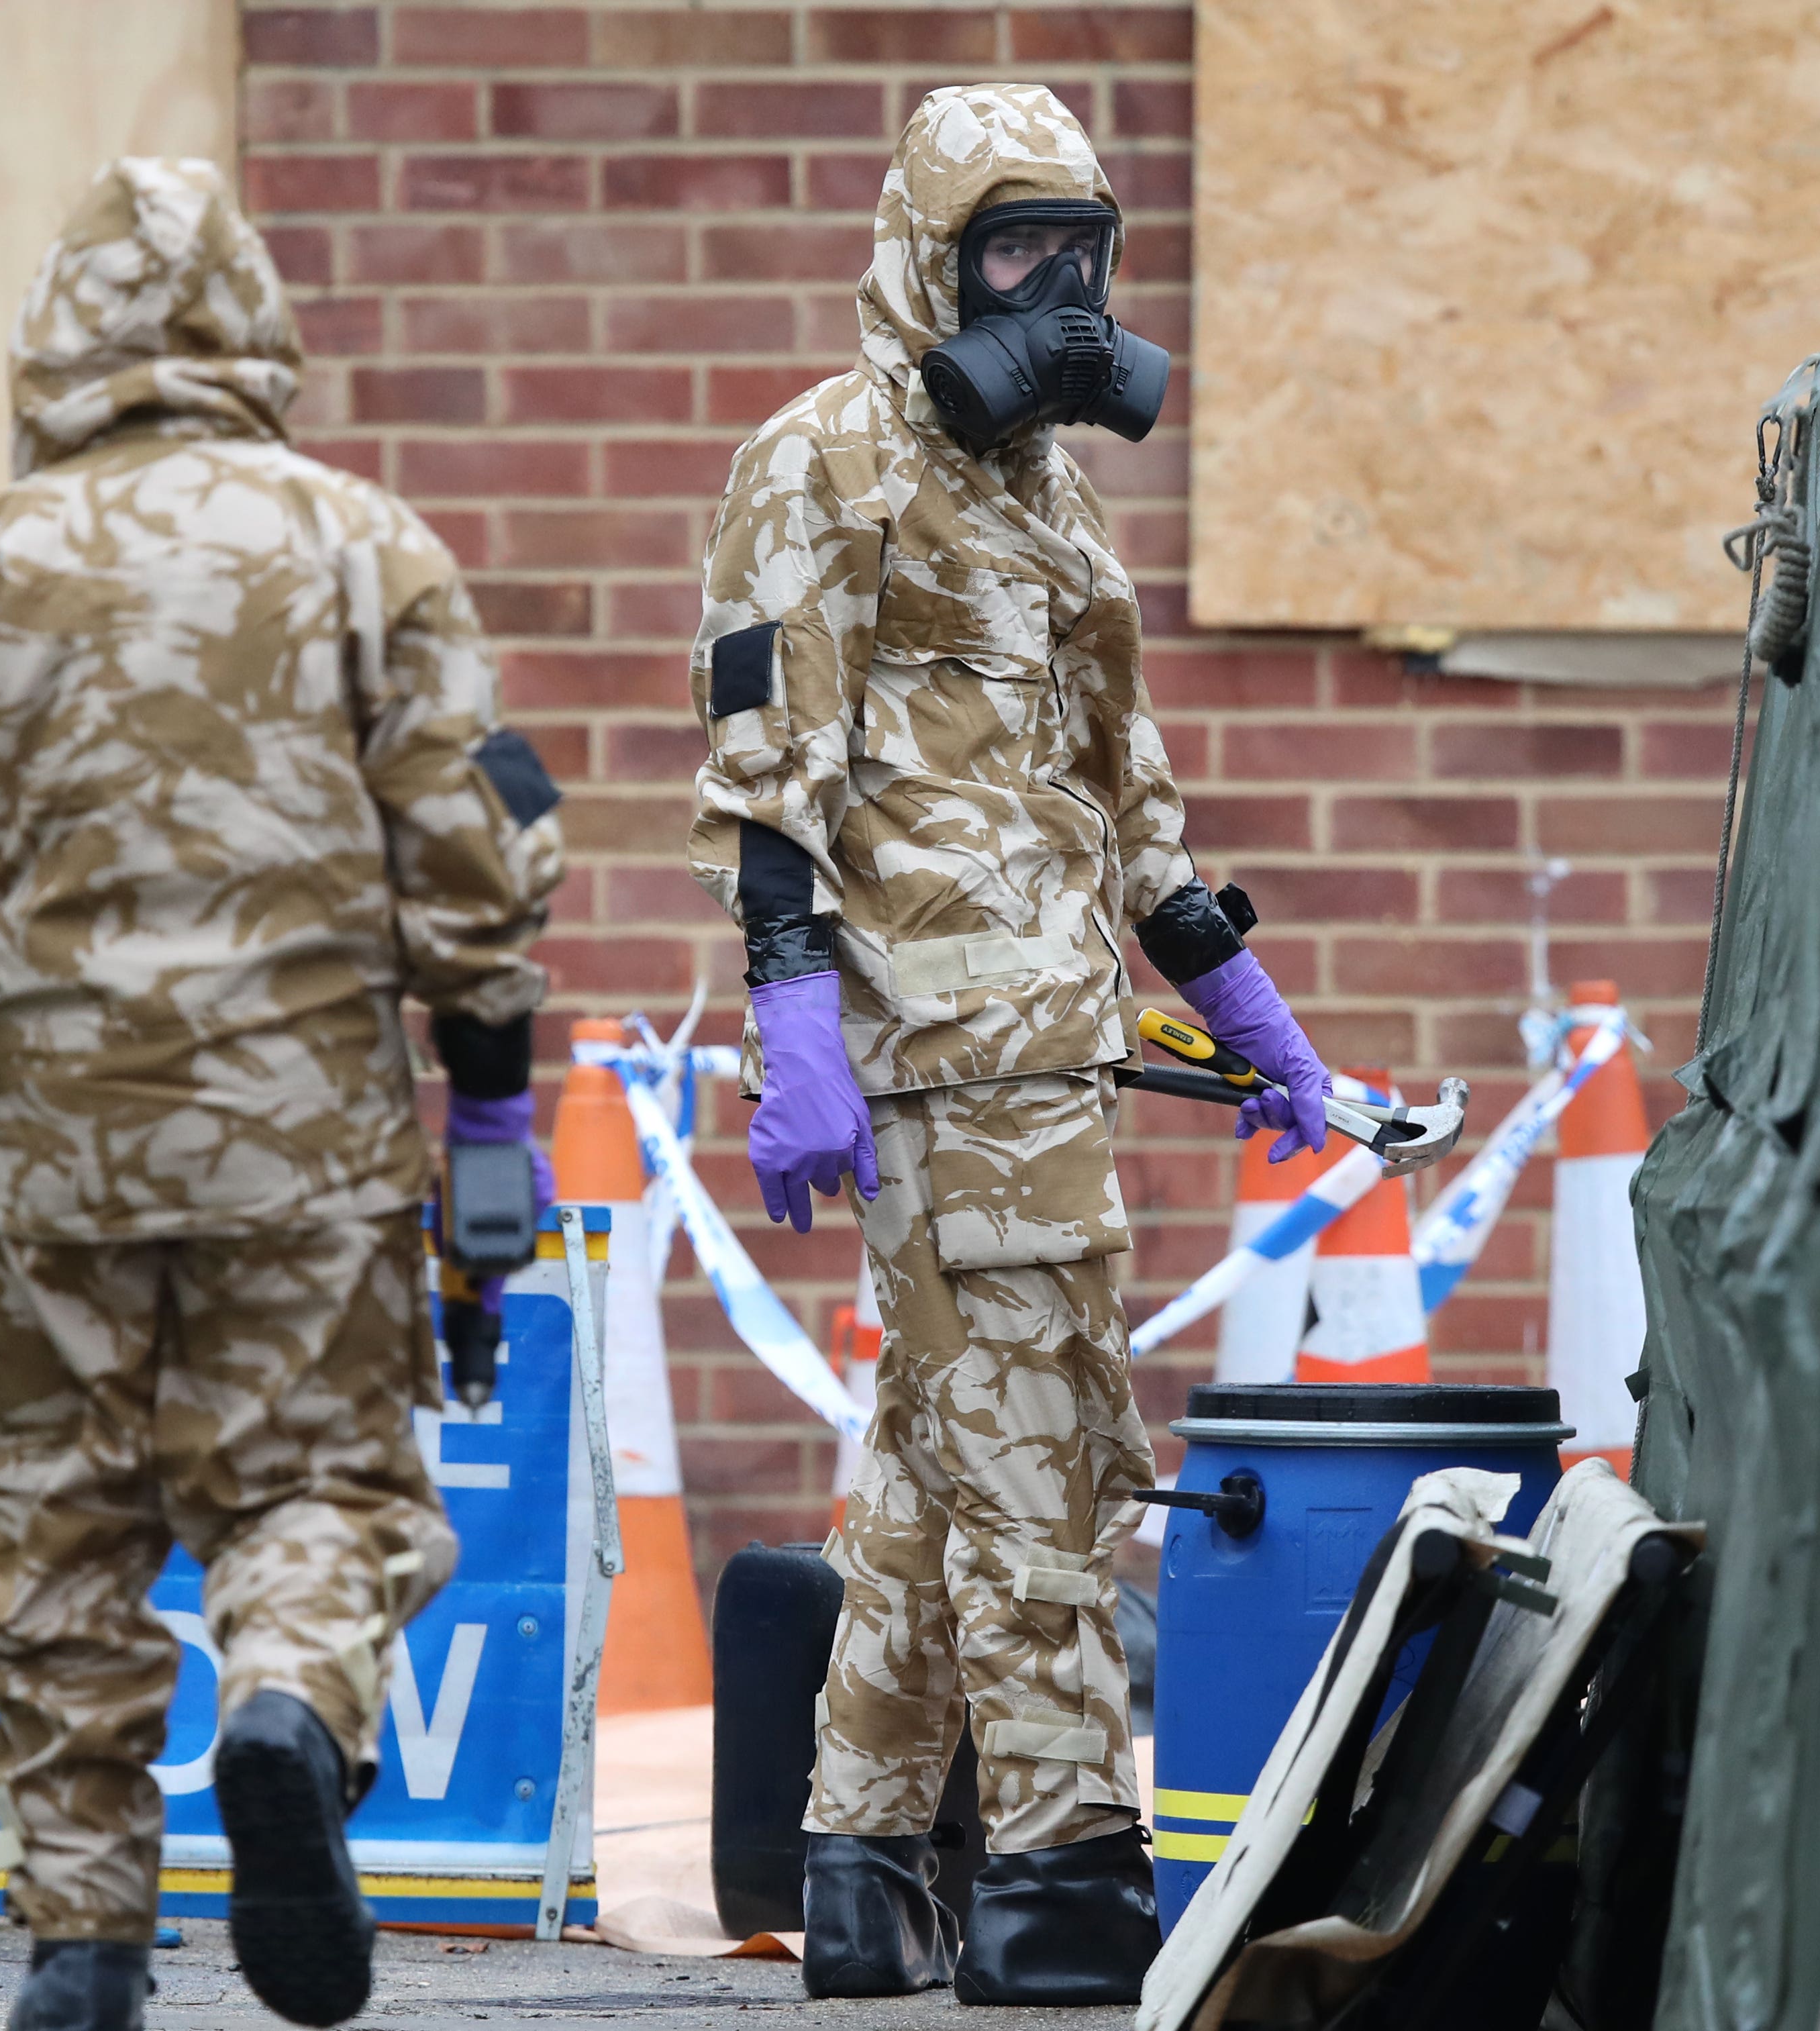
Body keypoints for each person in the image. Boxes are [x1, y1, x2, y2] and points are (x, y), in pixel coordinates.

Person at [0, 158, 562, 2031]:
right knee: (313, 1483)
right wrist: (484, 1100)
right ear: (255, 326)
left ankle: (82, 1945)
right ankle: (288, 1710)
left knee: (55, 1532)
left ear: (54, 339)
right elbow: (473, 851)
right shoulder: (364, 546)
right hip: (307, 1145)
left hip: (54, 1148)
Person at [685, 87, 1336, 2007]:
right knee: (1042, 1450)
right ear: (926, 251)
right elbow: (762, 756)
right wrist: (789, 1005)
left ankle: (863, 1862)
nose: (1050, 292)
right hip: (926, 1040)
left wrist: (1235, 993)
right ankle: (1060, 1861)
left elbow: (1116, 784)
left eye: (1076, 251)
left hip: (1047, 1042)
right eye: (1007, 253)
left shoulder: (1042, 493)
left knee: (936, 1451)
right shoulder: (819, 464)